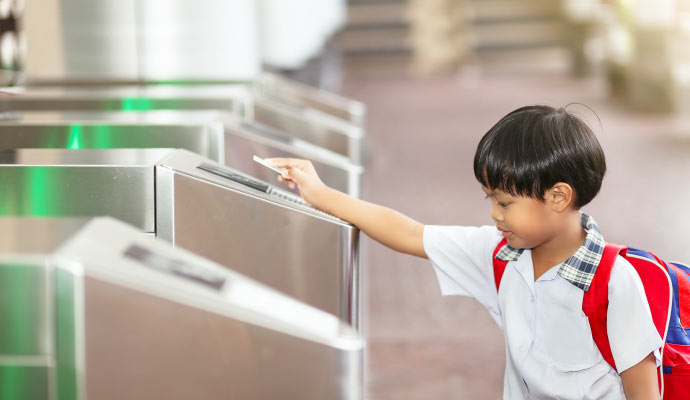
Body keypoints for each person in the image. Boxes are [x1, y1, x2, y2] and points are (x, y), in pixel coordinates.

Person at [266, 105, 662, 399]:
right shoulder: (500, 256)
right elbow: (409, 233)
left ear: (558, 197)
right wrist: (319, 194)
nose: (493, 214)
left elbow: (644, 391)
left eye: (504, 203)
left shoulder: (614, 283)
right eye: (490, 199)